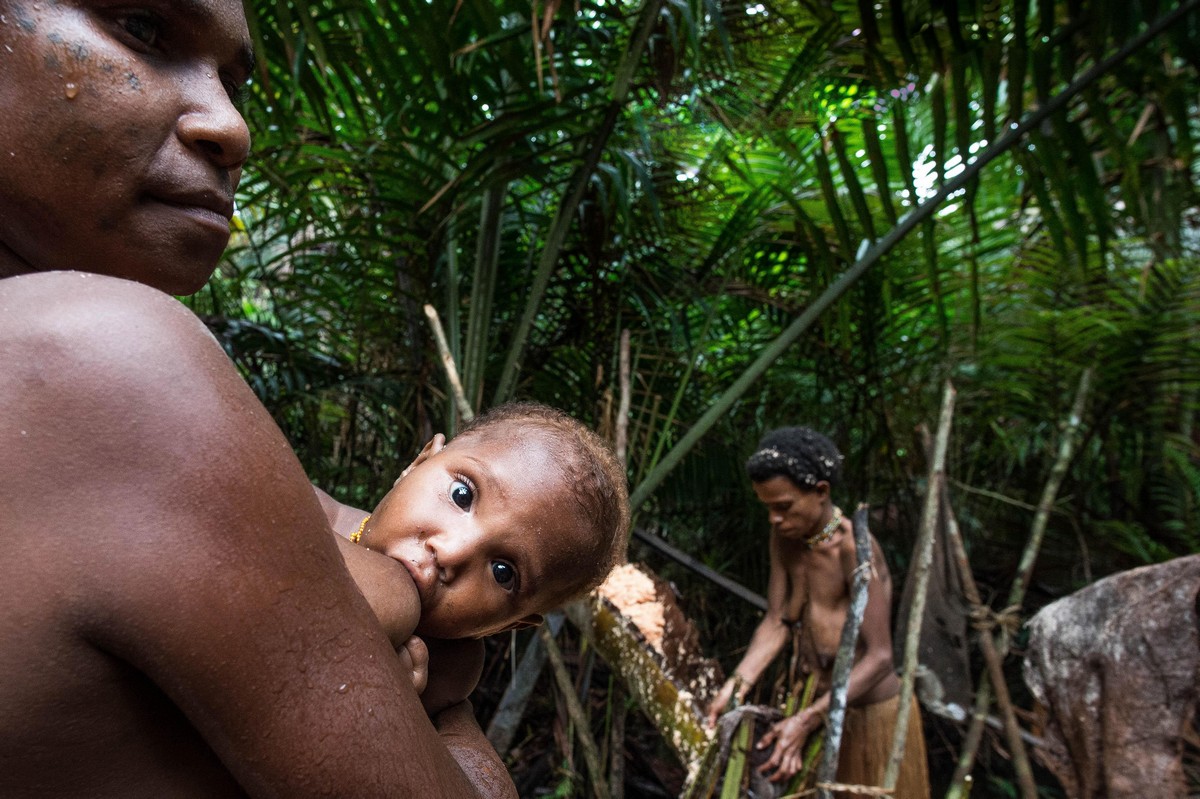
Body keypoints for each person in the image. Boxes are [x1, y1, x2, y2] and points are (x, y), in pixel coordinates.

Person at [0, 2, 553, 795]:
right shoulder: (109, 359)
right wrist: (449, 706)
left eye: (234, 81)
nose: (233, 126)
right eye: (143, 28)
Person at [324, 401, 629, 717]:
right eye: (462, 496)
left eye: (502, 572)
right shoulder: (306, 513)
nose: (452, 552)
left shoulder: (448, 668)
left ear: (507, 625)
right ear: (418, 463)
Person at [703, 427, 929, 797]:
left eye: (784, 507)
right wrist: (735, 687)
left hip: (867, 717)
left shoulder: (853, 550)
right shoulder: (785, 538)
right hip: (811, 707)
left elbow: (881, 656)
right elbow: (777, 620)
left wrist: (807, 720)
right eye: (768, 508)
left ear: (820, 492)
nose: (774, 518)